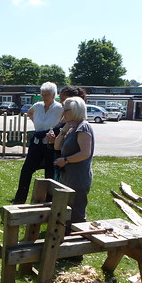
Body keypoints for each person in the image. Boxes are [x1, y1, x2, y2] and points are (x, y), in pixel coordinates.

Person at [11, 82, 64, 204]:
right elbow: (29, 113)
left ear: (54, 95)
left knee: (49, 172)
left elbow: (65, 120)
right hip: (36, 142)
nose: (44, 97)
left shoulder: (59, 108)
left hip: (50, 144)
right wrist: (36, 122)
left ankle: (48, 201)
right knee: (26, 170)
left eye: (47, 95)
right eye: (43, 94)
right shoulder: (38, 105)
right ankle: (19, 199)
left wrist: (57, 130)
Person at [53, 96, 95, 231]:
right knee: (68, 212)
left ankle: (78, 247)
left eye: (66, 110)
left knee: (77, 215)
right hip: (68, 177)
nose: (63, 113)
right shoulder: (71, 127)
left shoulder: (83, 127)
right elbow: (56, 147)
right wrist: (64, 129)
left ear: (76, 110)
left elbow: (85, 153)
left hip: (78, 177)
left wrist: (65, 161)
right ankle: (67, 242)